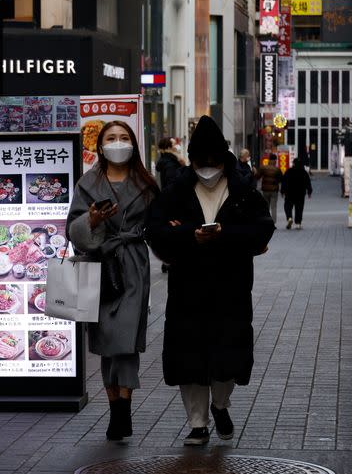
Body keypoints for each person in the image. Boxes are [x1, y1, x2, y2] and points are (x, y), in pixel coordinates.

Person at [144, 116, 274, 446]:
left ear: (224, 158)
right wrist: (189, 235)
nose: (208, 168)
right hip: (188, 289)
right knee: (189, 358)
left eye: (214, 161)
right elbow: (155, 229)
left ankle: (220, 404)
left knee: (228, 356)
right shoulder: (177, 189)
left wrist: (224, 234)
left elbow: (263, 228)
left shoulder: (243, 189)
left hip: (231, 288)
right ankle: (197, 422)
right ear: (193, 159)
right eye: (202, 161)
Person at [66, 121, 160, 441]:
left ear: (133, 143)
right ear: (100, 146)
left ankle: (124, 409)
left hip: (133, 268)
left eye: (123, 138)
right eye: (111, 138)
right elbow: (73, 229)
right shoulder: (87, 183)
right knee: (107, 344)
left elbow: (159, 226)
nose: (118, 143)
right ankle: (115, 408)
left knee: (126, 342)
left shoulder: (146, 184)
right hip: (100, 268)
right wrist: (91, 220)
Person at [281, 157, 312, 229]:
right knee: (299, 208)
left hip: (289, 193)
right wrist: (309, 192)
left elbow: (284, 182)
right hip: (300, 194)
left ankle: (289, 218)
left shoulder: (289, 171)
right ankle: (298, 223)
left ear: (294, 164)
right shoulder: (304, 172)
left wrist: (282, 191)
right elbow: (308, 183)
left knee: (288, 206)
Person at [255, 153, 282, 225]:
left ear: (269, 160)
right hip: (274, 190)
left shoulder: (263, 168)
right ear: (275, 160)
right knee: (273, 207)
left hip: (265, 190)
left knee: (266, 206)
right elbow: (280, 179)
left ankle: (266, 220)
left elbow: (257, 176)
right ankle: (273, 222)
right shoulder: (277, 169)